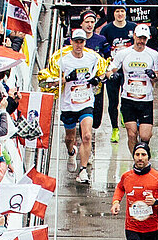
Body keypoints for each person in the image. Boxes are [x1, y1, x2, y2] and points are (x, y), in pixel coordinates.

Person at [39, 28, 108, 183]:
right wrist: (65, 79)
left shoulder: (92, 58)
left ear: (85, 42)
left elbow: (105, 72)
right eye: (76, 41)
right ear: (71, 42)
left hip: (86, 102)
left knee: (87, 135)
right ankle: (71, 152)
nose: (78, 45)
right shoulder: (61, 59)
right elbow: (45, 82)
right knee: (70, 137)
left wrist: (98, 79)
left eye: (81, 42)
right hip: (69, 104)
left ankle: (83, 170)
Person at [111, 24, 158, 152]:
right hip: (128, 99)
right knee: (132, 134)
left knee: (145, 135)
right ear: (134, 36)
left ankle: (143, 156)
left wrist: (153, 75)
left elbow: (157, 75)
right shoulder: (124, 53)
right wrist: (113, 75)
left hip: (145, 100)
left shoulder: (153, 54)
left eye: (144, 39)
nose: (141, 41)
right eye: (139, 38)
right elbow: (110, 69)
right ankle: (135, 161)